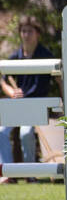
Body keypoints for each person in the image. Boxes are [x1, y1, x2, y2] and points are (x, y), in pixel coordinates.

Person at [1, 16, 55, 183]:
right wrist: (11, 91)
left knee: (26, 133)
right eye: (23, 31)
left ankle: (30, 174)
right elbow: (3, 79)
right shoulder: (14, 57)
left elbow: (59, 79)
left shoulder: (46, 55)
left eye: (30, 31)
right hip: (17, 104)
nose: (26, 35)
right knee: (1, 132)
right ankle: (7, 174)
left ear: (37, 33)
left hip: (36, 105)